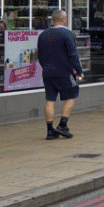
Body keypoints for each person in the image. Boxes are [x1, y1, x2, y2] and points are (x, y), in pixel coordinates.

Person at [37, 9, 84, 140]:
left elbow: (40, 56)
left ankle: (50, 131)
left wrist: (46, 67)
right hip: (64, 72)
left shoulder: (43, 35)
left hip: (47, 72)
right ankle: (63, 125)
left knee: (50, 100)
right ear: (64, 19)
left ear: (53, 20)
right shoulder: (67, 34)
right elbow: (73, 55)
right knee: (72, 94)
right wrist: (79, 71)